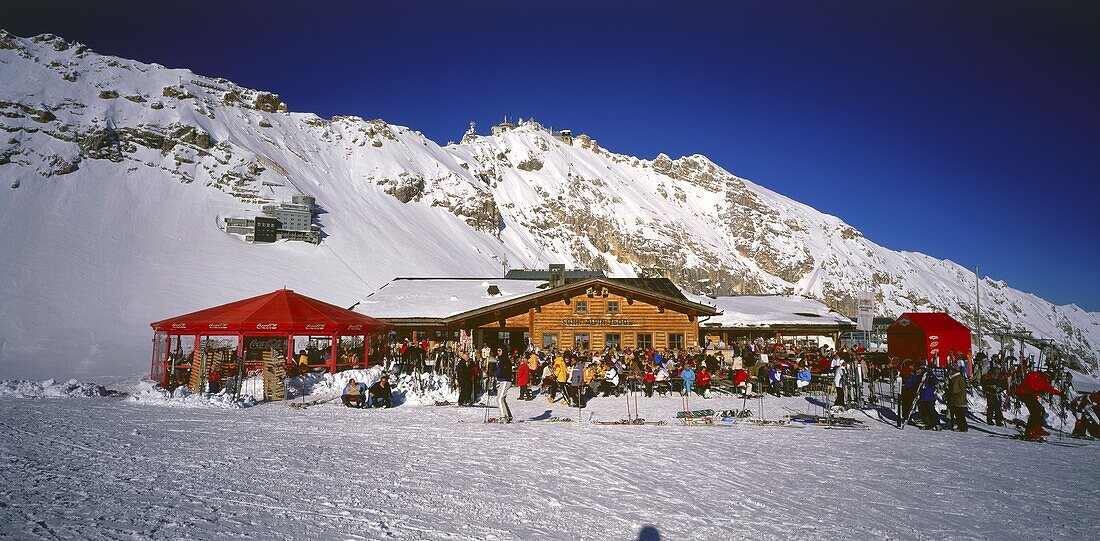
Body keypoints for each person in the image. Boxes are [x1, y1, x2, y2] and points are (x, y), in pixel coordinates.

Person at [1017, 370, 1062, 440]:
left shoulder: (1044, 381)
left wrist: (1060, 393)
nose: (1048, 380)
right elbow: (1028, 383)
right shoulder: (1035, 375)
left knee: (1041, 410)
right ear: (1047, 375)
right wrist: (1037, 390)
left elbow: (1049, 388)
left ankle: (1037, 428)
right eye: (1049, 378)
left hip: (1030, 394)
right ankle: (1029, 432)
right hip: (1023, 393)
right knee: (1035, 412)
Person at [945, 365, 969, 432]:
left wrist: (948, 390)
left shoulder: (956, 378)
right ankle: (963, 426)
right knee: (960, 414)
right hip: (960, 399)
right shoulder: (960, 377)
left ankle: (962, 427)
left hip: (957, 399)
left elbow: (955, 390)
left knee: (959, 415)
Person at [495, 351, 514, 422]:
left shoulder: (504, 360)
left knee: (499, 399)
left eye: (500, 350)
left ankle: (504, 416)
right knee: (501, 399)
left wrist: (495, 372)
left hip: (505, 380)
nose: (498, 352)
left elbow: (501, 370)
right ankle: (508, 415)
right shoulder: (501, 360)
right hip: (502, 380)